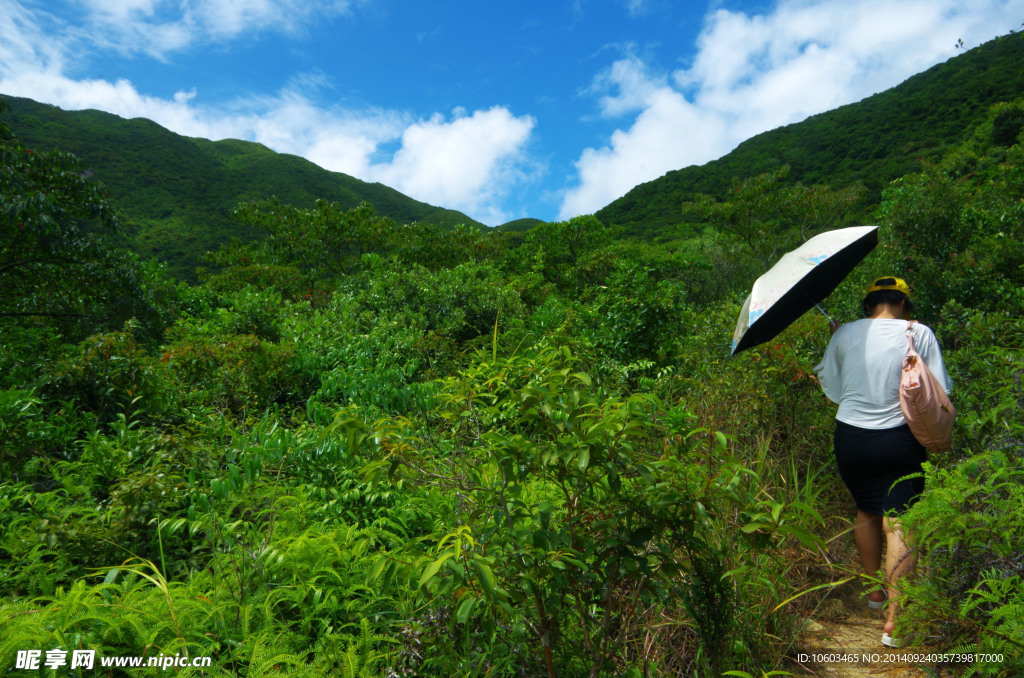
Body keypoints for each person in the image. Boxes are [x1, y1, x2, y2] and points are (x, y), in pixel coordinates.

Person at [813, 277, 951, 647]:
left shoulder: (844, 335)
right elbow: (940, 389)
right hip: (899, 438)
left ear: (868, 304)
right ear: (905, 303)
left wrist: (844, 342)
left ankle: (875, 594)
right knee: (899, 522)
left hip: (850, 439)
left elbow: (834, 388)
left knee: (866, 512)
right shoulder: (917, 332)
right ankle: (895, 620)